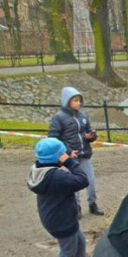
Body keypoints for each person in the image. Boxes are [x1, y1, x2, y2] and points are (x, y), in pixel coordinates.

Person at [27, 137, 90, 257]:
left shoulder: (39, 169)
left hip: (55, 217)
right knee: (67, 250)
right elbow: (82, 180)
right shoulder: (56, 177)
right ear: (57, 158)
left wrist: (66, 155)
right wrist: (70, 163)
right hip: (61, 220)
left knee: (80, 241)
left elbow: (53, 160)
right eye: (62, 153)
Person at [48, 86, 104, 216]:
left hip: (85, 154)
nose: (78, 103)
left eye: (79, 100)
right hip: (71, 157)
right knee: (74, 183)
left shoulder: (83, 116)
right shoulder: (58, 118)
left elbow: (89, 132)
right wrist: (67, 152)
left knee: (90, 180)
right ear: (67, 101)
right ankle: (76, 208)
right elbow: (53, 138)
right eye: (75, 100)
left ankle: (92, 204)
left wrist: (92, 136)